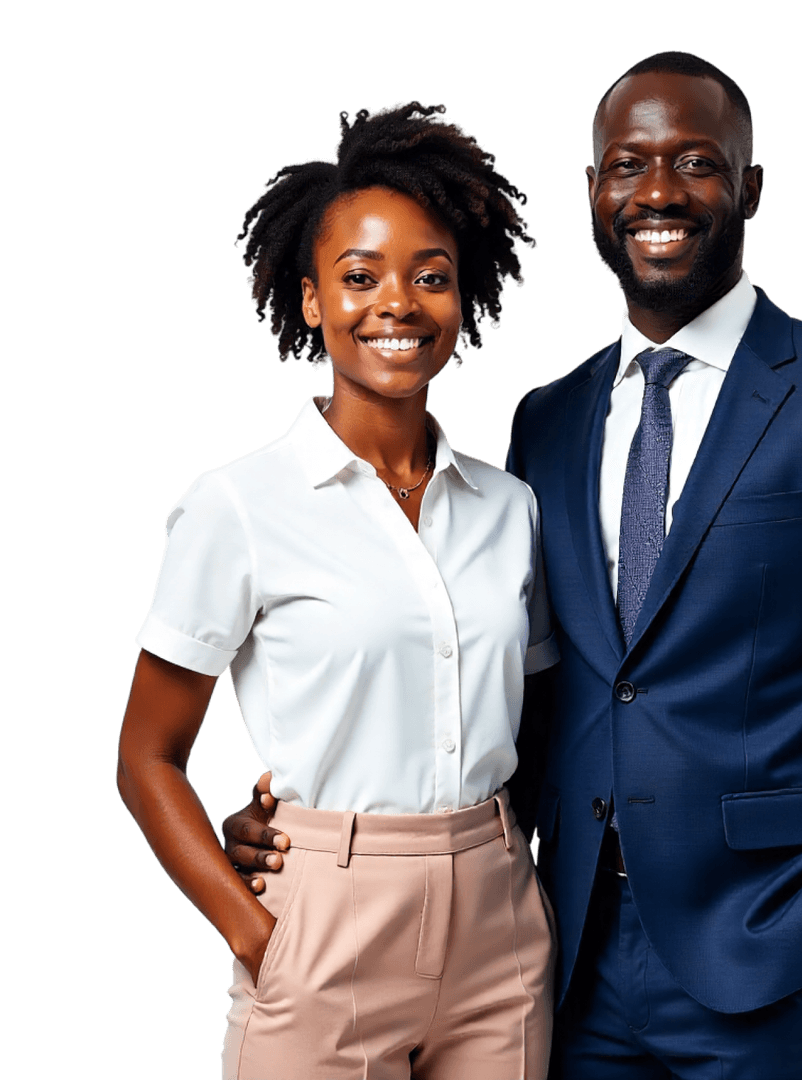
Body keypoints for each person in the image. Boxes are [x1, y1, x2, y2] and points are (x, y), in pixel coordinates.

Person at [225, 52, 802, 1079]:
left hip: (771, 960)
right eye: (628, 166)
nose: (660, 193)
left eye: (697, 163)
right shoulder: (550, 419)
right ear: (593, 193)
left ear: (751, 188)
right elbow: (532, 689)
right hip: (563, 953)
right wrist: (325, 819)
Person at [116, 101, 556, 1080]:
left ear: (463, 300)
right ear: (311, 299)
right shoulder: (236, 506)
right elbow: (147, 756)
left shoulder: (510, 509)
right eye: (358, 276)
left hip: (500, 924)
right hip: (325, 922)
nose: (395, 302)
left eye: (429, 277)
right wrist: (259, 936)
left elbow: (538, 729)